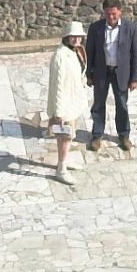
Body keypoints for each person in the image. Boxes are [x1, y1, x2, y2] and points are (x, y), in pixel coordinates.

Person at [84, 0, 137, 153]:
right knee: (98, 105)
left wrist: (135, 78)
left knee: (122, 105)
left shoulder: (130, 28)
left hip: (121, 73)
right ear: (104, 13)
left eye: (114, 14)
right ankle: (97, 135)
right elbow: (89, 52)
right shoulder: (95, 28)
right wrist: (89, 74)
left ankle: (124, 135)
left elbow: (135, 53)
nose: (111, 17)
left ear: (120, 12)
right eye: (108, 14)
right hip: (101, 72)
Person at [42, 21, 93, 180]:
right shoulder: (60, 56)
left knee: (68, 136)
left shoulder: (76, 51)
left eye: (79, 37)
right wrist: (59, 113)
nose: (76, 39)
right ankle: (61, 169)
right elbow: (57, 85)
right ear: (67, 37)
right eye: (73, 37)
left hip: (72, 101)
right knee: (65, 136)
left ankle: (63, 161)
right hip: (64, 106)